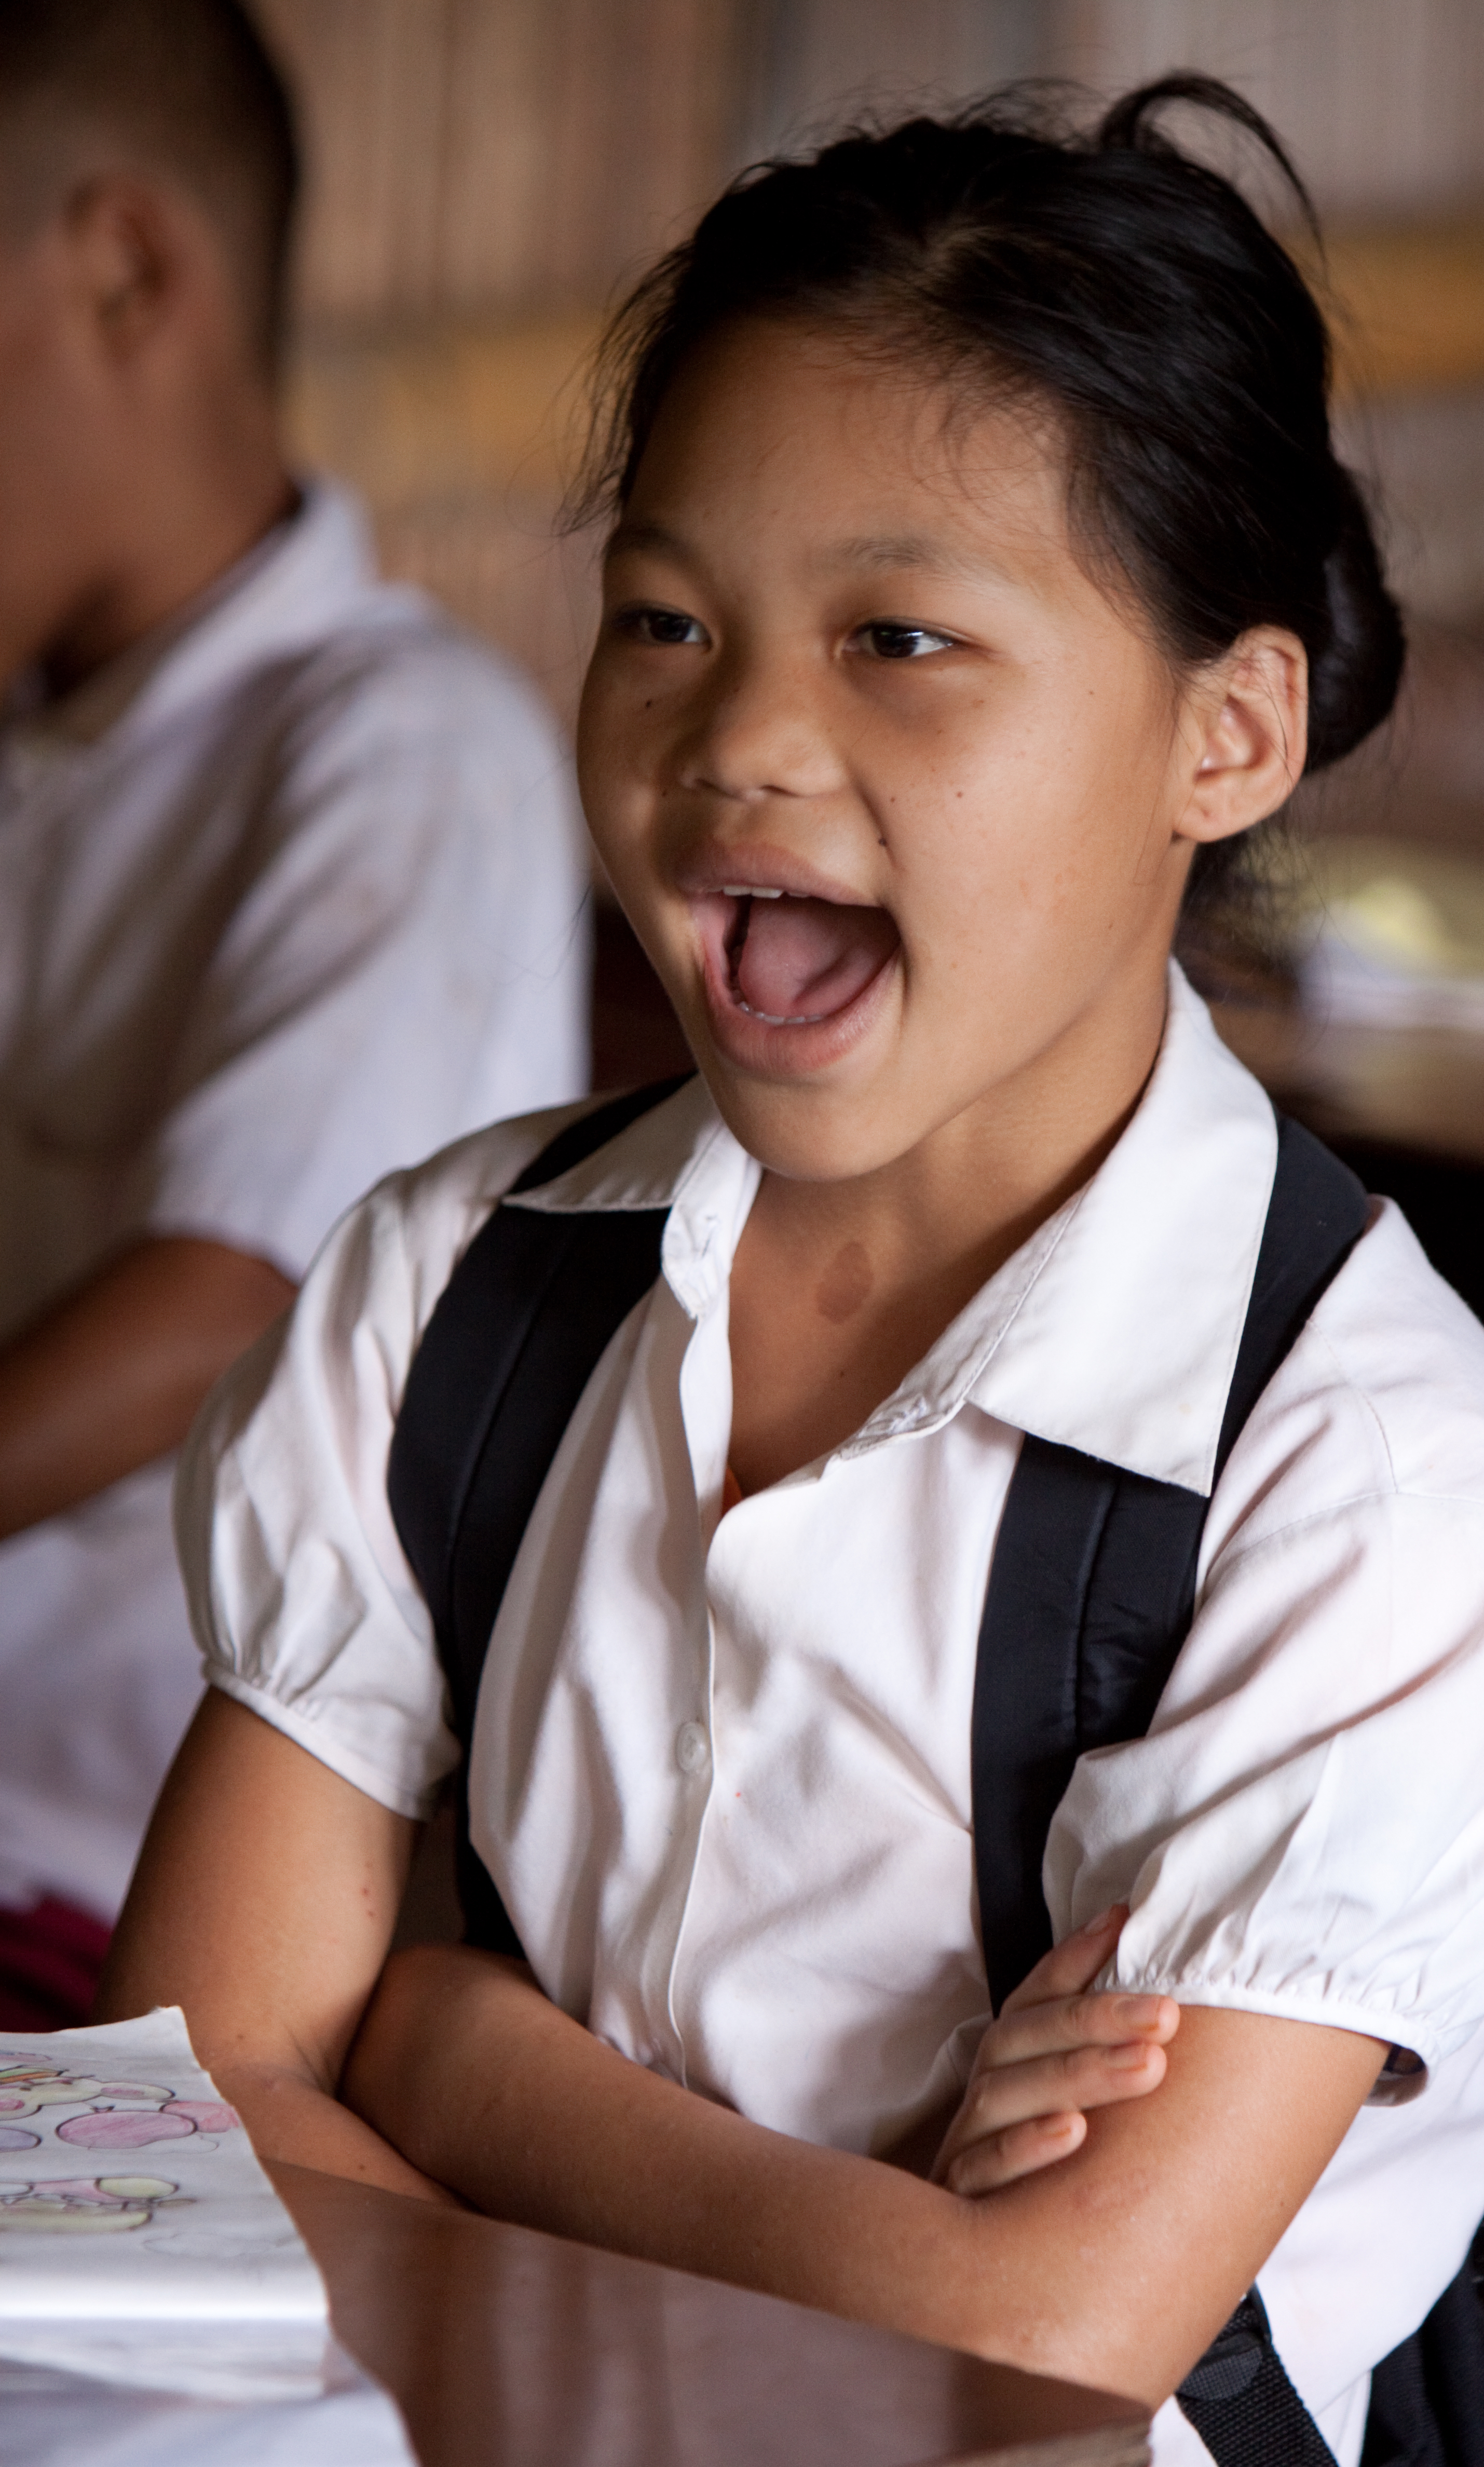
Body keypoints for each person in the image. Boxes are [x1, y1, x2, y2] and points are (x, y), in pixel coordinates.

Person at [100, 80, 1484, 2464]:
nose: (740, 738)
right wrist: (832, 2231)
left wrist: (458, 2060)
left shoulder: (1356, 1482)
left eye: (900, 636)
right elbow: (168, 2128)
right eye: (664, 619)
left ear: (1227, 736)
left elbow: (1045, 2355)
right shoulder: (448, 1293)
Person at [0, 0, 590, 2025]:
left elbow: (229, 1296)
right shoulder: (43, 756)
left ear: (121, 271)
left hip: (109, 1887)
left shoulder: (401, 749)